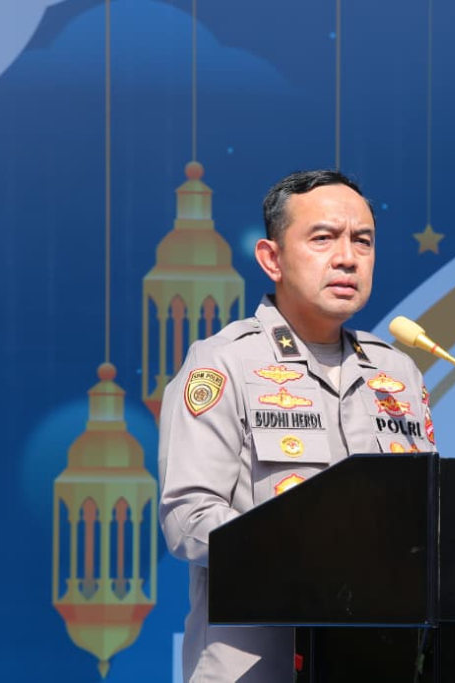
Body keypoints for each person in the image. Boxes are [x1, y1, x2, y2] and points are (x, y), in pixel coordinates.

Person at [158, 169, 436, 682]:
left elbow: (429, 517)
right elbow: (187, 519)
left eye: (363, 241)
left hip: (378, 663)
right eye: (323, 238)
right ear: (272, 259)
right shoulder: (223, 363)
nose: (347, 257)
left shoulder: (397, 372)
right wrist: (307, 552)